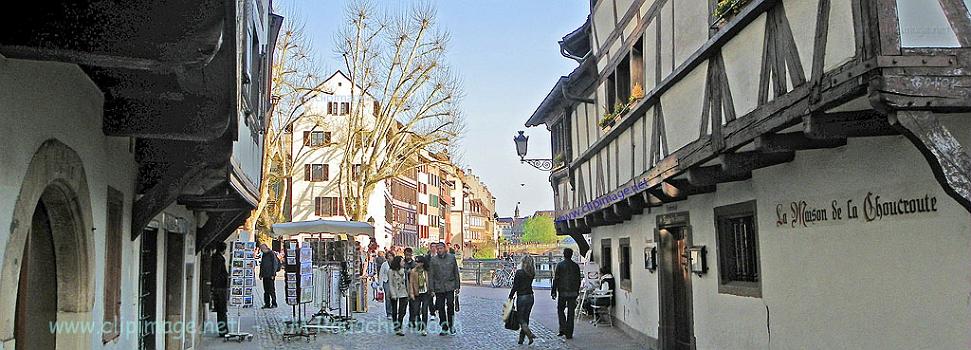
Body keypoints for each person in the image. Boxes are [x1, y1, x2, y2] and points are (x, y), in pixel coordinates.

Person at [428, 242, 461, 335]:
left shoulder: (451, 257)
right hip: (439, 287)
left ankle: (451, 325)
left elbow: (456, 272)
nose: (439, 250)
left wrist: (457, 286)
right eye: (437, 249)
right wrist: (431, 289)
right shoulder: (433, 260)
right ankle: (444, 327)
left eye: (440, 248)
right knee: (440, 307)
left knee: (450, 305)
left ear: (445, 248)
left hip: (450, 285)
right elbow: (431, 275)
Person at [552, 248, 582, 339]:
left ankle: (563, 328)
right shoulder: (575, 266)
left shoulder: (560, 265)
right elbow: (578, 280)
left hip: (563, 292)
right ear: (571, 255)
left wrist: (553, 291)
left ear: (564, 254)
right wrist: (577, 291)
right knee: (571, 312)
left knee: (560, 310)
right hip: (573, 292)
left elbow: (556, 279)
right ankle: (569, 333)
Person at [509, 255, 536, 345]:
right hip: (530, 296)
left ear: (523, 262)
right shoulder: (532, 273)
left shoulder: (519, 272)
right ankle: (522, 339)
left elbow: (515, 286)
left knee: (520, 318)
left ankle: (529, 333)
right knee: (526, 318)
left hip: (522, 297)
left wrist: (510, 296)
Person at [408, 256, 431, 336]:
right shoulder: (413, 271)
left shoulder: (426, 271)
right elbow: (410, 283)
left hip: (425, 293)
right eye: (416, 262)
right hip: (416, 293)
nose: (417, 264)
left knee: (424, 310)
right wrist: (411, 293)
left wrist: (432, 290)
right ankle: (419, 322)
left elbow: (430, 281)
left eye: (418, 262)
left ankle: (424, 328)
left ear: (422, 263)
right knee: (416, 310)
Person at [210, 242, 230, 337]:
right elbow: (217, 273)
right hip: (220, 287)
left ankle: (223, 330)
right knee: (222, 310)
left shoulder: (216, 257)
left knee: (221, 310)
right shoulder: (219, 259)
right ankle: (223, 331)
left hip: (219, 286)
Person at [387, 256, 410, 336]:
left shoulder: (404, 271)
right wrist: (392, 294)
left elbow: (407, 282)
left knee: (402, 310)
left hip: (403, 292)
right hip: (394, 292)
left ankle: (400, 324)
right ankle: (396, 326)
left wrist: (409, 292)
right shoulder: (391, 271)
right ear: (398, 262)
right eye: (402, 261)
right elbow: (390, 283)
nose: (404, 263)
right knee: (394, 310)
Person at [259, 243, 278, 308]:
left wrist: (273, 274)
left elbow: (275, 264)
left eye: (262, 249)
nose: (261, 251)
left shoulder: (272, 253)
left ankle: (274, 303)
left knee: (271, 290)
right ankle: (267, 304)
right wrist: (260, 274)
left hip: (270, 275)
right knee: (266, 290)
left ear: (265, 248)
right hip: (265, 275)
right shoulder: (264, 254)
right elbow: (262, 264)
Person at [402, 248, 416, 328]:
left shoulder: (414, 264)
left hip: (412, 287)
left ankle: (412, 321)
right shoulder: (402, 263)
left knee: (413, 305)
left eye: (409, 255)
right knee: (403, 306)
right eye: (406, 255)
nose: (408, 256)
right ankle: (400, 320)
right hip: (404, 287)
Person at [380, 251, 394, 319]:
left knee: (394, 297)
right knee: (388, 297)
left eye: (391, 256)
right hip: (386, 281)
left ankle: (394, 310)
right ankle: (389, 313)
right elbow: (381, 274)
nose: (389, 257)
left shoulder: (395, 264)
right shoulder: (384, 264)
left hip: (394, 282)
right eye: (388, 256)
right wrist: (380, 285)